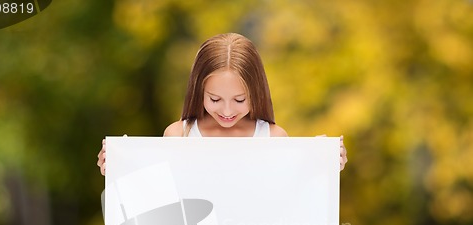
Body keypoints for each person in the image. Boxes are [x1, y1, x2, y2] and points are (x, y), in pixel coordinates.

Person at [97, 32, 347, 174]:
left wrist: (323, 163)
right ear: (199, 90)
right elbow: (163, 204)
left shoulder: (273, 138)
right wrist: (120, 168)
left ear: (256, 92)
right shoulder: (178, 136)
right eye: (214, 99)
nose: (227, 111)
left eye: (240, 100)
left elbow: (291, 197)